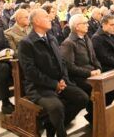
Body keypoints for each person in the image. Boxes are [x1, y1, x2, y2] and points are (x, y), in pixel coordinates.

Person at [18, 9, 88, 137]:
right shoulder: (26, 43)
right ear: (37, 21)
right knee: (56, 106)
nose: (50, 18)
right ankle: (61, 133)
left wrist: (63, 80)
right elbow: (31, 72)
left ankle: (52, 125)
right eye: (46, 16)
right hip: (38, 87)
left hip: (59, 82)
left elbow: (61, 62)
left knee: (82, 98)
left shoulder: (51, 38)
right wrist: (54, 84)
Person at [60, 14, 101, 124]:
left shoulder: (87, 38)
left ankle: (95, 117)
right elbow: (70, 67)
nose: (88, 25)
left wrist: (98, 69)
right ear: (77, 26)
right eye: (85, 23)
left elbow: (94, 58)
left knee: (110, 85)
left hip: (92, 74)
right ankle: (62, 122)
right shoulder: (68, 43)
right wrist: (90, 73)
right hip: (78, 78)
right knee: (98, 89)